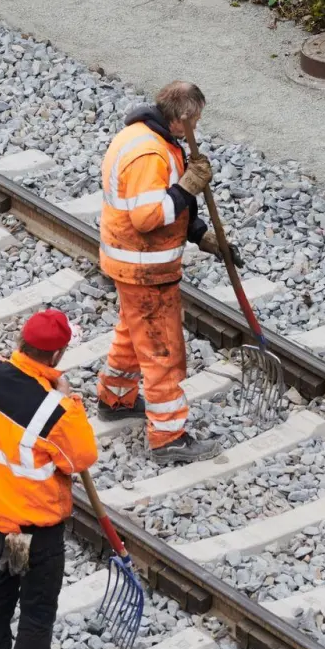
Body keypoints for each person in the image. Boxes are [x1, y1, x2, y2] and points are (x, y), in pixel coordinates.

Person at [0, 309, 99, 649]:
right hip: (35, 532)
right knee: (37, 613)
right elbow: (82, 457)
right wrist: (68, 397)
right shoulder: (53, 412)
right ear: (56, 356)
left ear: (21, 343)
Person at [94, 81, 239, 464]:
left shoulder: (144, 135)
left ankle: (116, 398)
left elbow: (160, 201)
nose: (198, 127)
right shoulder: (149, 154)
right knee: (163, 352)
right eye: (196, 121)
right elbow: (148, 217)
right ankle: (168, 436)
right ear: (180, 120)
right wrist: (189, 188)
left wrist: (199, 234)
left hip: (133, 264)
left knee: (132, 332)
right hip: (144, 267)